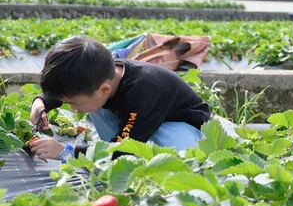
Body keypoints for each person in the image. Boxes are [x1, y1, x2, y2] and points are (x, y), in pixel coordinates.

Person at [28, 36, 211, 162]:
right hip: (143, 117)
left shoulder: (142, 95)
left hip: (180, 125)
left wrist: (66, 151)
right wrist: (41, 102)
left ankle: (116, 154)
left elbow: (125, 149)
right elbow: (68, 86)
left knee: (179, 162)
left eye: (74, 103)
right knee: (93, 107)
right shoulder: (103, 76)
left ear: (104, 90)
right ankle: (111, 152)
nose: (72, 108)